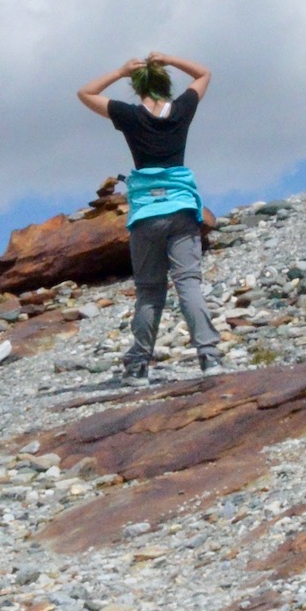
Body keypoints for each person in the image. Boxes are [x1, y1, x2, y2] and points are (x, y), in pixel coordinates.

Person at [76, 49, 223, 379]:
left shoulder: (128, 115)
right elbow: (204, 74)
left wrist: (119, 71)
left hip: (145, 215)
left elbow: (85, 93)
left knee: (149, 291)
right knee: (188, 284)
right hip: (182, 210)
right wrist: (171, 58)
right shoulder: (182, 110)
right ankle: (209, 356)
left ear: (137, 86)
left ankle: (139, 363)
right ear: (165, 84)